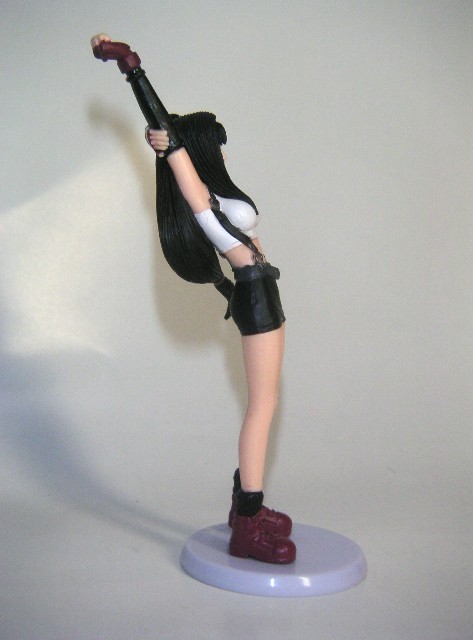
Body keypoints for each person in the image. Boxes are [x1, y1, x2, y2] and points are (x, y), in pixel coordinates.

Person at [91, 34, 295, 564]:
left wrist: (170, 135)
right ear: (198, 147)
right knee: (263, 407)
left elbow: (187, 156)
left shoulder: (219, 192)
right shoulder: (202, 202)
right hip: (255, 296)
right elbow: (180, 160)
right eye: (215, 144)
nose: (222, 152)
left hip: (263, 292)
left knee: (266, 403)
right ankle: (248, 521)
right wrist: (132, 69)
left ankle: (244, 506)